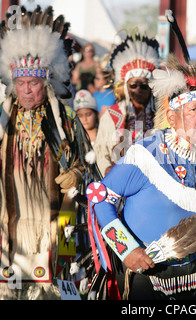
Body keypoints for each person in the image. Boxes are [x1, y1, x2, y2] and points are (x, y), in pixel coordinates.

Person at [86, 5, 196, 300]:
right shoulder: (145, 155)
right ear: (172, 118)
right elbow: (100, 198)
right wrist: (126, 250)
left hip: (194, 276)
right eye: (193, 110)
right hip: (146, 278)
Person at [0, 6, 96, 299]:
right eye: (21, 83)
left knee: (57, 285)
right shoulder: (3, 118)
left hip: (60, 224)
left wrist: (76, 175)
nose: (27, 91)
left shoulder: (65, 119)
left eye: (33, 83)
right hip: (9, 227)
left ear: (47, 81)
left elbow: (90, 166)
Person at [93, 33, 160, 176]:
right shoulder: (113, 115)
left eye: (143, 86)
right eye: (133, 85)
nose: (138, 90)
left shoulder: (162, 114)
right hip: (120, 179)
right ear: (125, 87)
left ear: (151, 86)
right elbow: (101, 151)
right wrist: (107, 170)